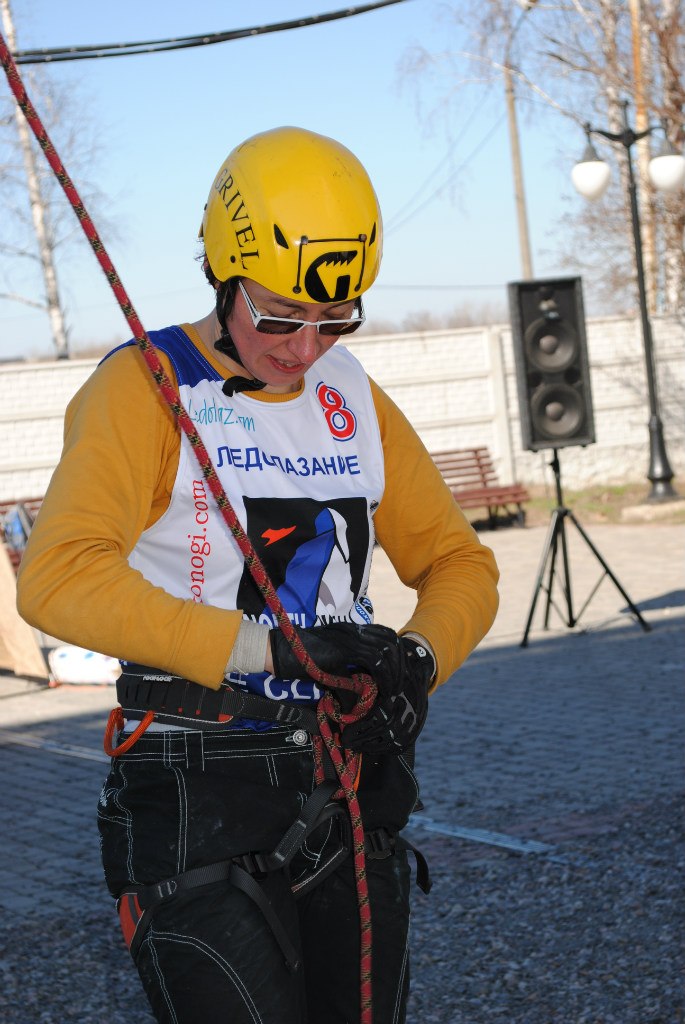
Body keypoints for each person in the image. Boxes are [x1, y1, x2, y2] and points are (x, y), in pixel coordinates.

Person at [17, 126, 499, 1024]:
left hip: (341, 783)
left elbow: (458, 563)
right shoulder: (147, 387)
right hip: (197, 787)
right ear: (220, 268)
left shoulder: (349, 393)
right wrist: (260, 646)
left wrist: (417, 662)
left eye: (337, 317)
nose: (305, 346)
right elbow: (58, 578)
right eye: (279, 315)